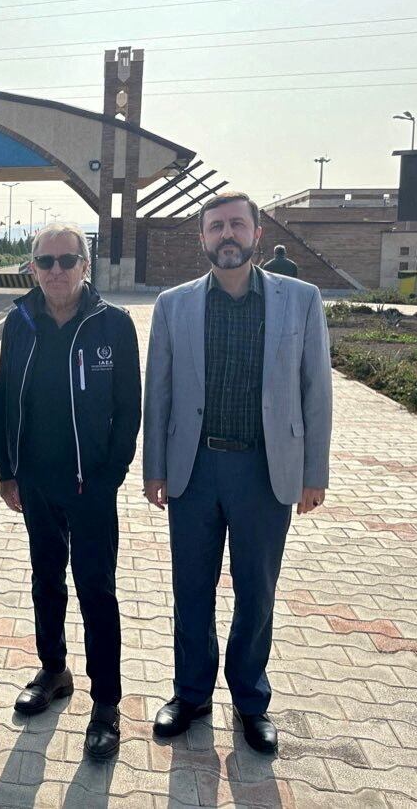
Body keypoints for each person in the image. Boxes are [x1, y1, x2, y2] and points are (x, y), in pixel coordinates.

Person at [143, 192, 332, 754]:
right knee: (191, 589)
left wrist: (313, 471)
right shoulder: (173, 305)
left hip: (265, 470)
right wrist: (155, 467)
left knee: (257, 591)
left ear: (255, 233)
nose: (227, 235)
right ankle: (192, 693)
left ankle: (251, 700)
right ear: (202, 238)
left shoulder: (300, 300)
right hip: (194, 470)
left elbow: (315, 392)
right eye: (215, 227)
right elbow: (161, 393)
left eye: (236, 226)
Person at [0, 223, 141, 760]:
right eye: (46, 261)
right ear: (32, 267)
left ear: (86, 264)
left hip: (92, 485)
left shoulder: (113, 325)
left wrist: (112, 476)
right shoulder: (20, 321)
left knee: (97, 591)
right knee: (45, 580)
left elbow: (130, 409)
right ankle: (54, 671)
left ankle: (107, 703)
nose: (56, 270)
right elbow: (5, 394)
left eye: (66, 260)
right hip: (36, 480)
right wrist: (7, 469)